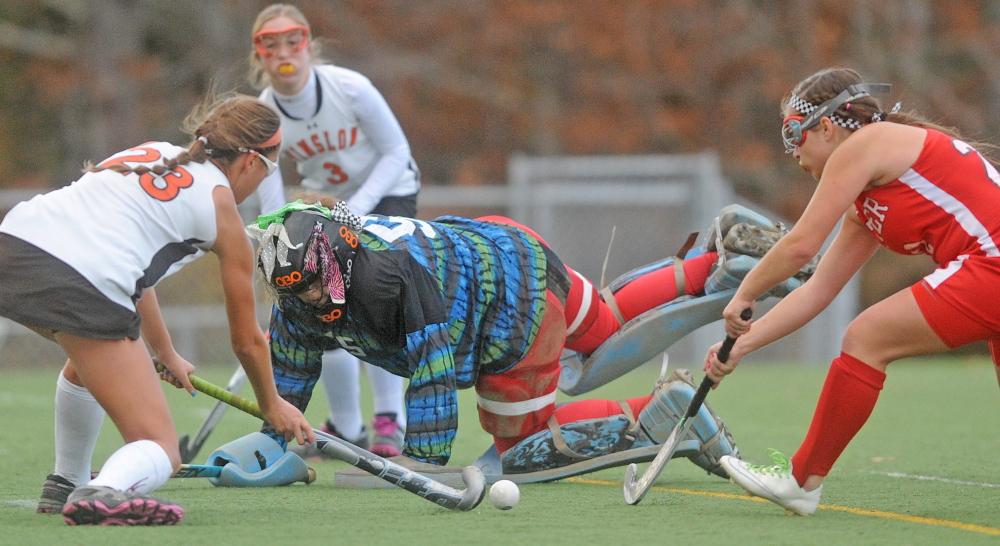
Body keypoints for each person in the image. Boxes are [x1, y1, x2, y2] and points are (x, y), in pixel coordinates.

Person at [226, 194, 812, 479]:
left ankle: (661, 415)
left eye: (308, 285)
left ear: (336, 260)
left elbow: (431, 369)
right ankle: (720, 260)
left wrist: (420, 460)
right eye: (290, 288)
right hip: (510, 245)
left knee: (520, 450)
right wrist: (275, 428)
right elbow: (293, 360)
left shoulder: (386, 280)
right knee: (603, 322)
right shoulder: (315, 271)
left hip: (508, 309)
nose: (301, 298)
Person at [0, 93, 315, 526]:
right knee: (162, 449)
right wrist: (272, 404)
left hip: (14, 248)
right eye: (269, 169)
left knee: (87, 364)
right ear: (250, 163)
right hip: (79, 283)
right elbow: (246, 341)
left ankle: (66, 481)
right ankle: (102, 492)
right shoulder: (223, 213)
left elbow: (135, 269)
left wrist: (164, 351)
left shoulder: (155, 152)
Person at [706, 67, 1000, 516]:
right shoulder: (868, 197)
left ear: (825, 126)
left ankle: (800, 482)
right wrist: (744, 343)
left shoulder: (867, 143)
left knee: (865, 338)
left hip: (991, 265)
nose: (792, 154)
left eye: (794, 136)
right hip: (986, 271)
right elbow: (819, 289)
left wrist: (743, 293)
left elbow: (801, 246)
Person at [247, 3, 419, 457]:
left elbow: (396, 151)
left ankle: (389, 421)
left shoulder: (350, 88)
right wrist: (272, 238)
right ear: (260, 56)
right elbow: (268, 181)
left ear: (307, 46)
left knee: (380, 302)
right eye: (271, 45)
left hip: (386, 193)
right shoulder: (266, 112)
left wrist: (357, 210)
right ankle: (347, 427)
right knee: (325, 305)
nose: (284, 54)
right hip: (326, 207)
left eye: (292, 42)